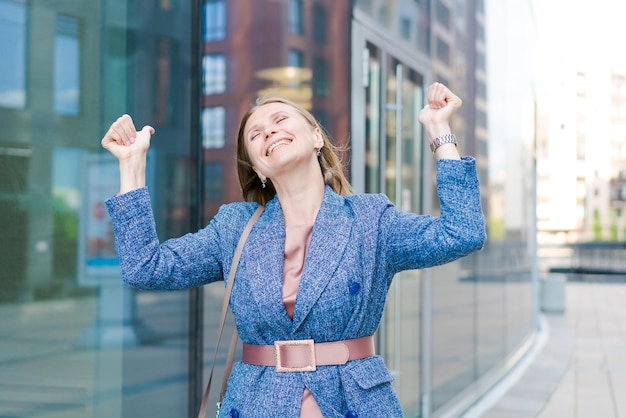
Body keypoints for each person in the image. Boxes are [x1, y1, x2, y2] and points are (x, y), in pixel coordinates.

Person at [102, 82, 486, 418]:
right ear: (258, 169)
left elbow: (462, 233)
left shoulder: (370, 219)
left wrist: (440, 132)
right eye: (255, 134)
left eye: (281, 121)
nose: (269, 131)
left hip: (354, 400)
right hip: (258, 403)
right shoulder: (234, 227)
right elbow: (145, 268)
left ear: (316, 137)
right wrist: (132, 167)